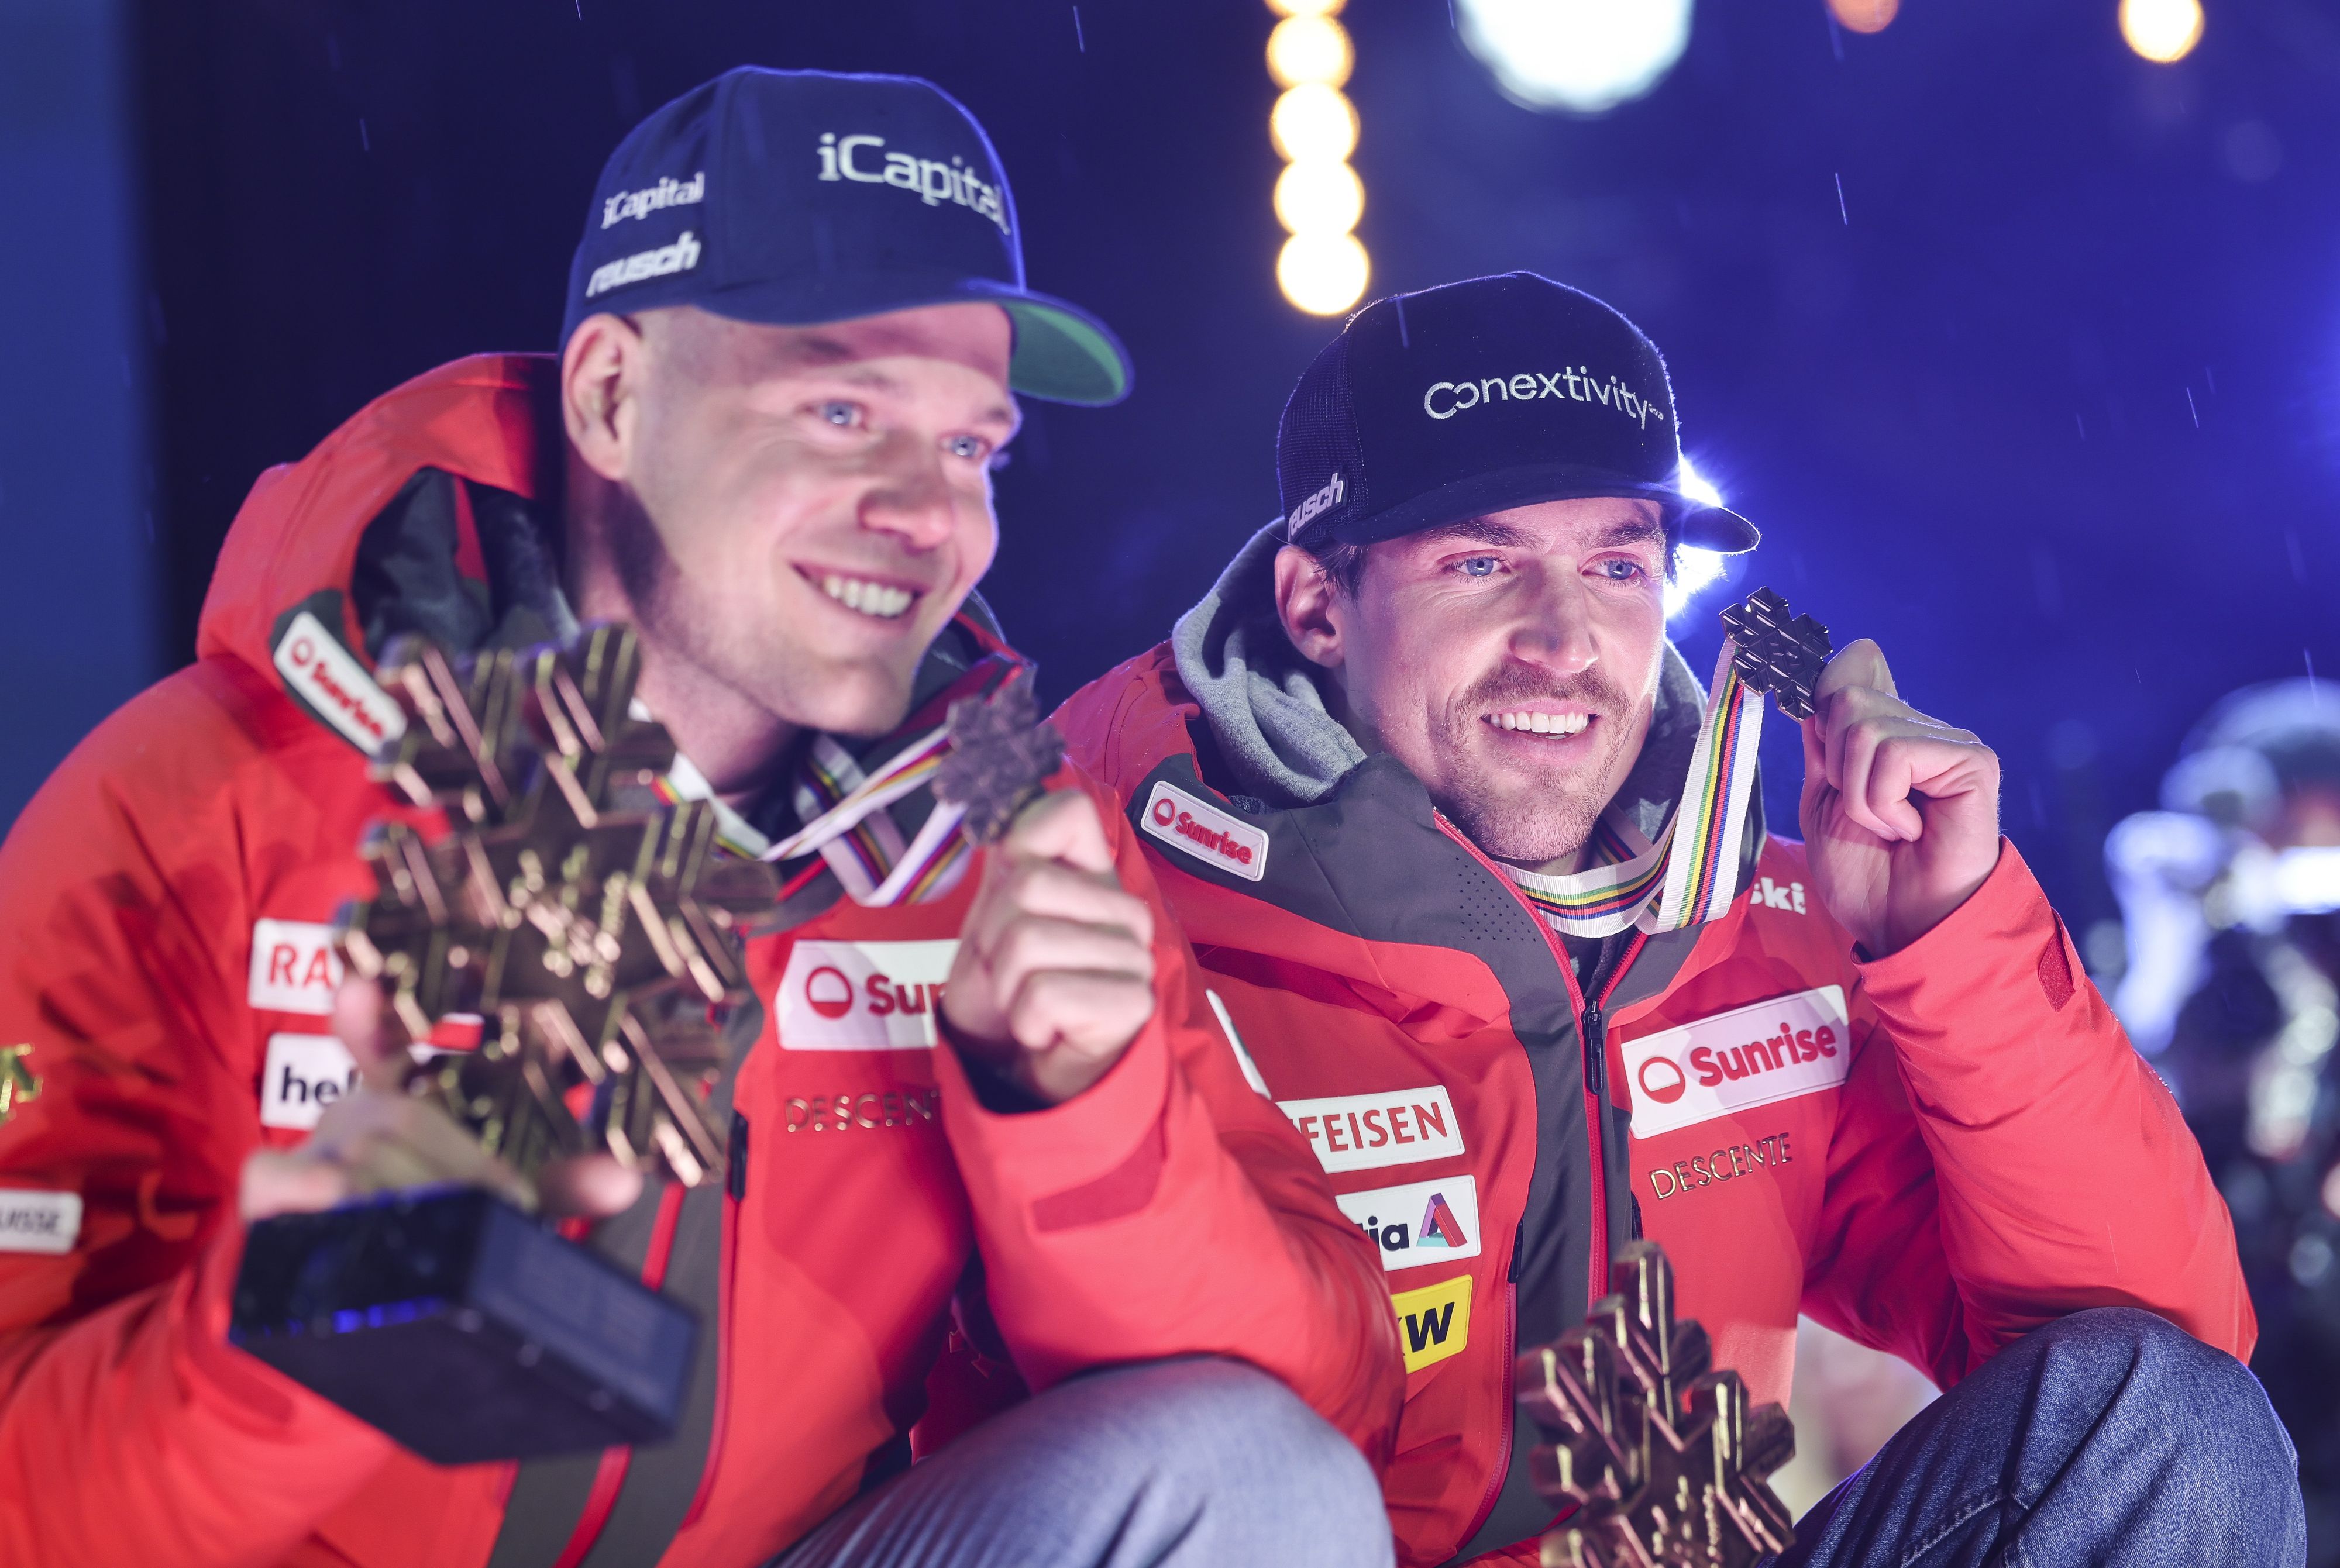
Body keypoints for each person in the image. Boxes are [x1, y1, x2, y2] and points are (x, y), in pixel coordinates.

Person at [0, 67, 1402, 1567]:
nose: (930, 515)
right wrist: (310, 1323)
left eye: (966, 445)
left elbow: (1338, 1390)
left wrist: (1070, 1111)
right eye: (841, 409)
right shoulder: (203, 805)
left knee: (1251, 1478)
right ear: (611, 395)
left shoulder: (1005, 828)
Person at [1052, 271, 2302, 1566]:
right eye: (1480, 562)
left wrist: (1950, 939)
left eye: (1615, 563)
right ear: (1318, 604)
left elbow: (2153, 1353)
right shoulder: (1094, 891)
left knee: (2172, 1426)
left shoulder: (1760, 924)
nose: (1563, 639)